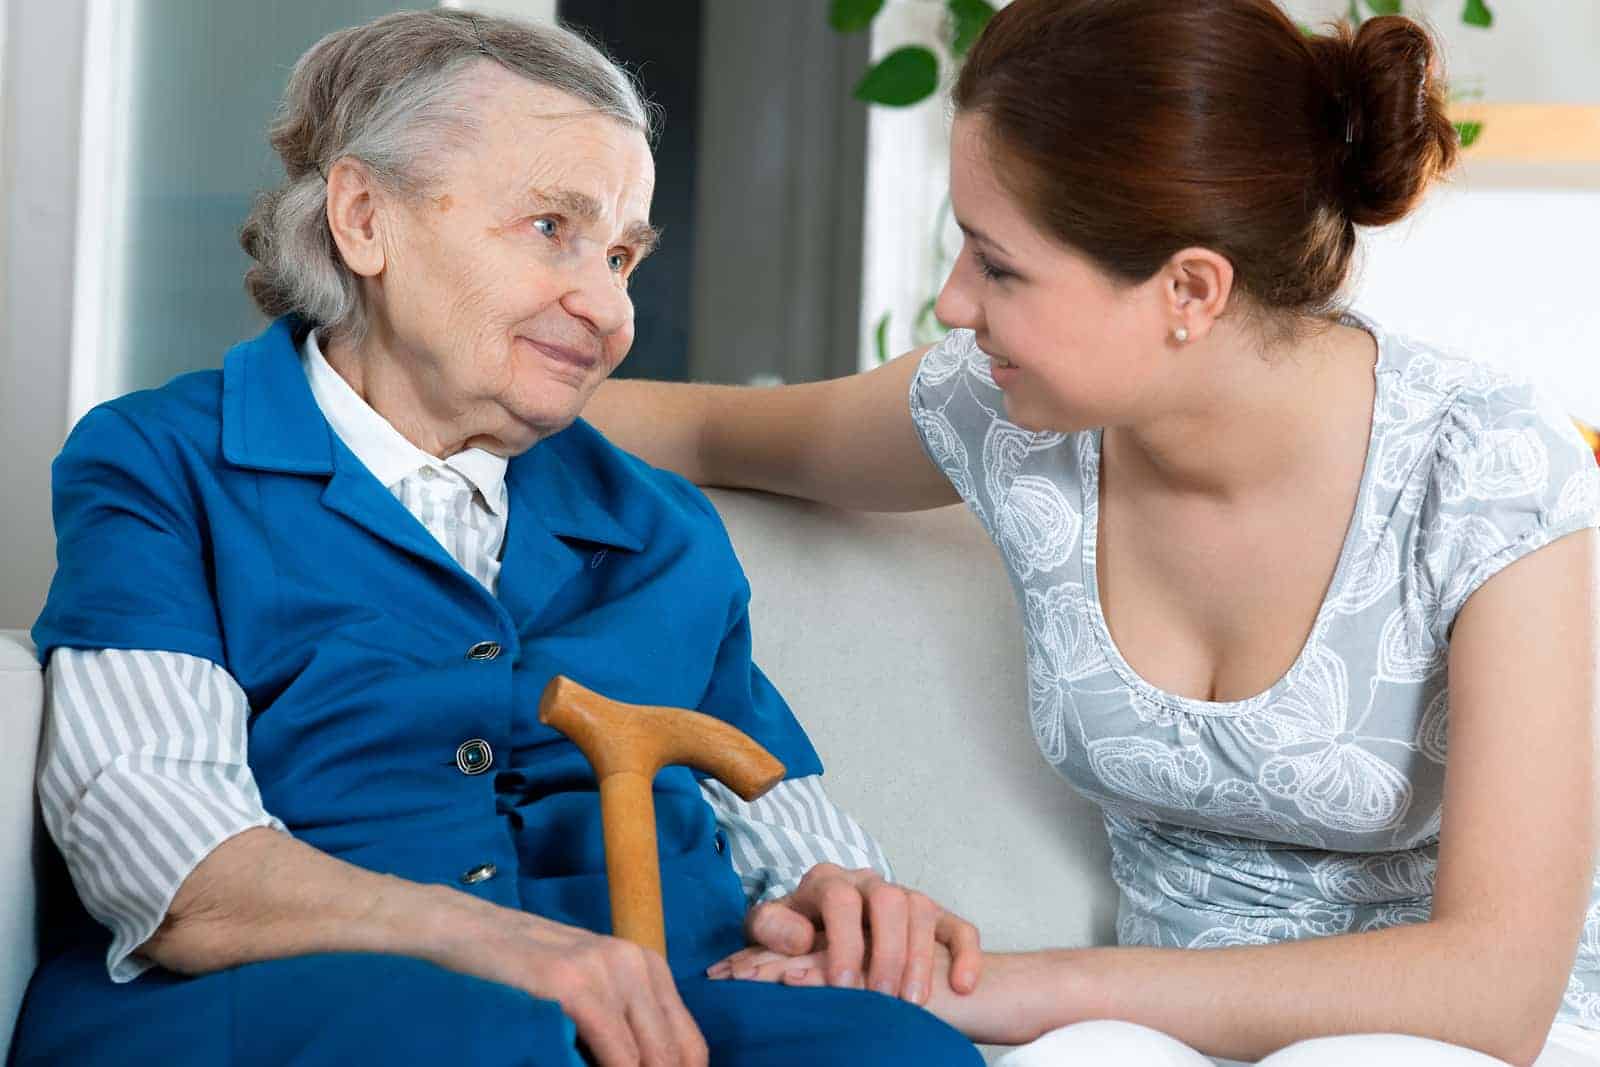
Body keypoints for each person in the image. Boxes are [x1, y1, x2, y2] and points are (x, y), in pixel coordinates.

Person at [585, 1, 1600, 1064]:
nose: (952, 300)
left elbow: (1490, 985)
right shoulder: (1000, 416)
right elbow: (695, 426)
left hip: (1458, 1039)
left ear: (1188, 289)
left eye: (998, 264)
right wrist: (417, 384)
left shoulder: (1485, 466)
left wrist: (1004, 988)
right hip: (1142, 1032)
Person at [11, 11, 986, 1066]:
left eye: (621, 255)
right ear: (363, 217)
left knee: (894, 1049)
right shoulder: (164, 463)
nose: (607, 305)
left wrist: (837, 902)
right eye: (551, 228)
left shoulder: (660, 527)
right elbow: (176, 870)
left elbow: (782, 825)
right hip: (288, 1007)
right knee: (489, 1041)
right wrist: (517, 947)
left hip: (653, 1007)